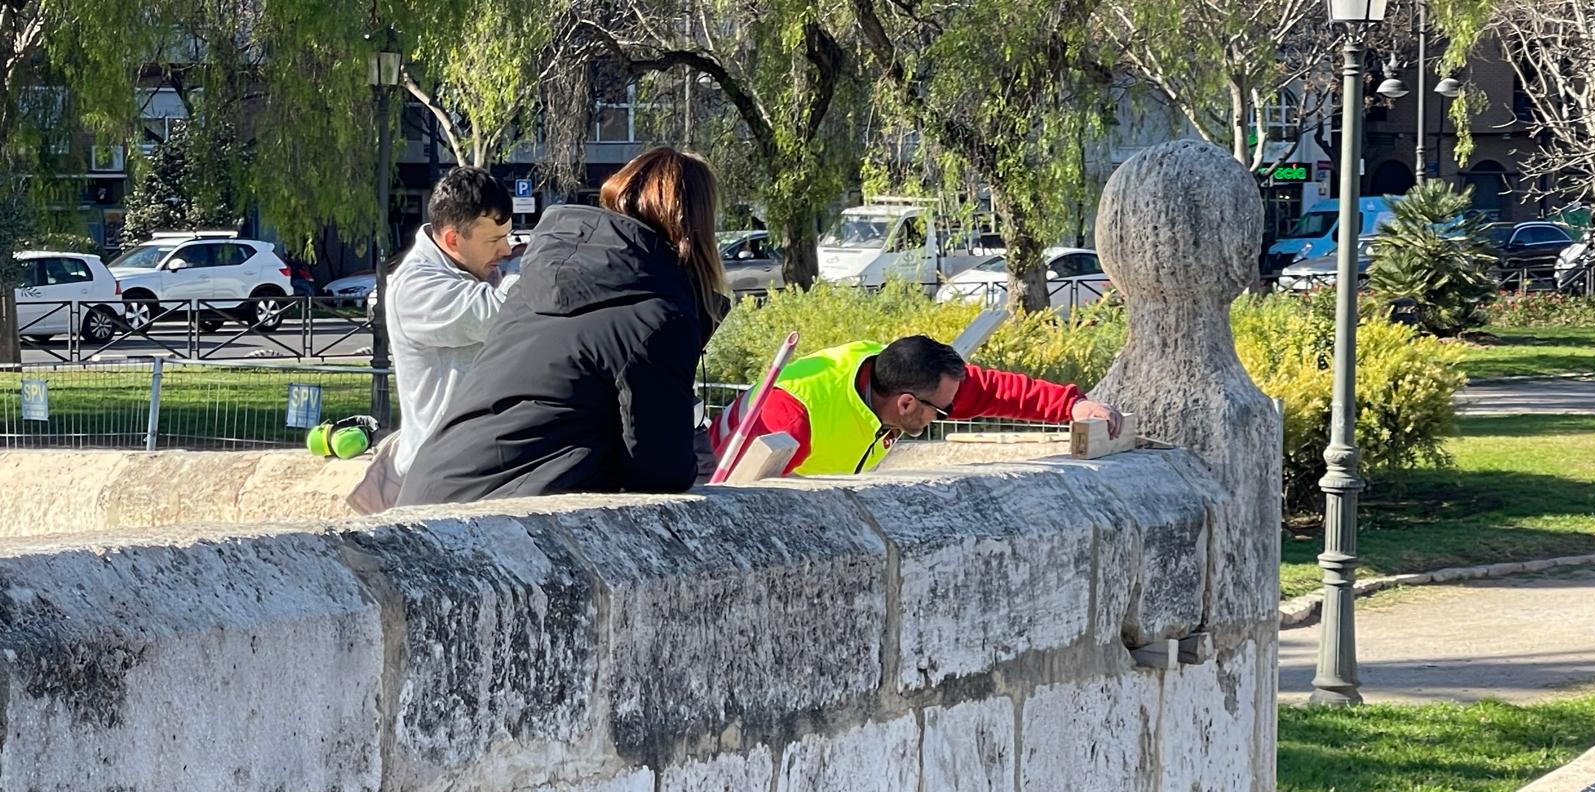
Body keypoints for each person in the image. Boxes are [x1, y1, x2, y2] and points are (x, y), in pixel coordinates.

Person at [396, 147, 730, 505]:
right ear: (697, 228)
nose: (505, 250)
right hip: (488, 513)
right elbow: (662, 471)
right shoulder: (658, 315)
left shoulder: (532, 287)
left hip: (430, 494)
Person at [707, 334, 1122, 478]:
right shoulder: (791, 417)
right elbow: (741, 501)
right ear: (906, 404)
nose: (949, 412)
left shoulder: (898, 373)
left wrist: (1072, 405)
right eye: (941, 412)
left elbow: (991, 391)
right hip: (718, 473)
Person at [349, 167, 517, 513]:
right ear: (453, 240)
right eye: (493, 241)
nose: (506, 250)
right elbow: (499, 314)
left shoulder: (479, 270)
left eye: (507, 237)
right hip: (439, 480)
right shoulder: (417, 285)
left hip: (473, 468)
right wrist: (540, 264)